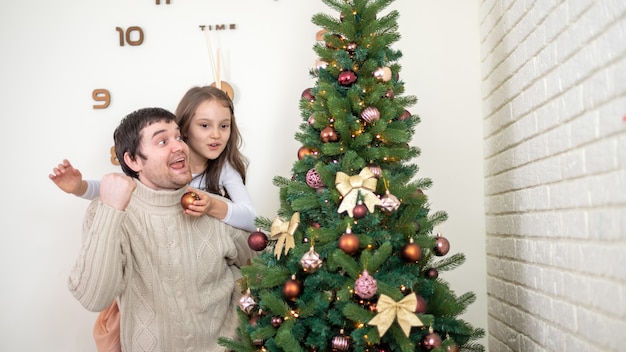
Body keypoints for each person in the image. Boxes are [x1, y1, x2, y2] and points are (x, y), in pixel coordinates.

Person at [64, 107, 256, 351]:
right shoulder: (106, 212)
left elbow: (265, 263)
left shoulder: (212, 206)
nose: (179, 147)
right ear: (133, 160)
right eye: (162, 141)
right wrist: (111, 211)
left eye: (179, 137)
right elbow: (94, 298)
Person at [50, 85, 257, 233]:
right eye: (204, 125)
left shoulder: (224, 168)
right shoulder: (156, 169)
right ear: (184, 128)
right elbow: (113, 186)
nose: (216, 135)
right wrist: (79, 187)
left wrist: (211, 206)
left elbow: (252, 219)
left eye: (224, 126)